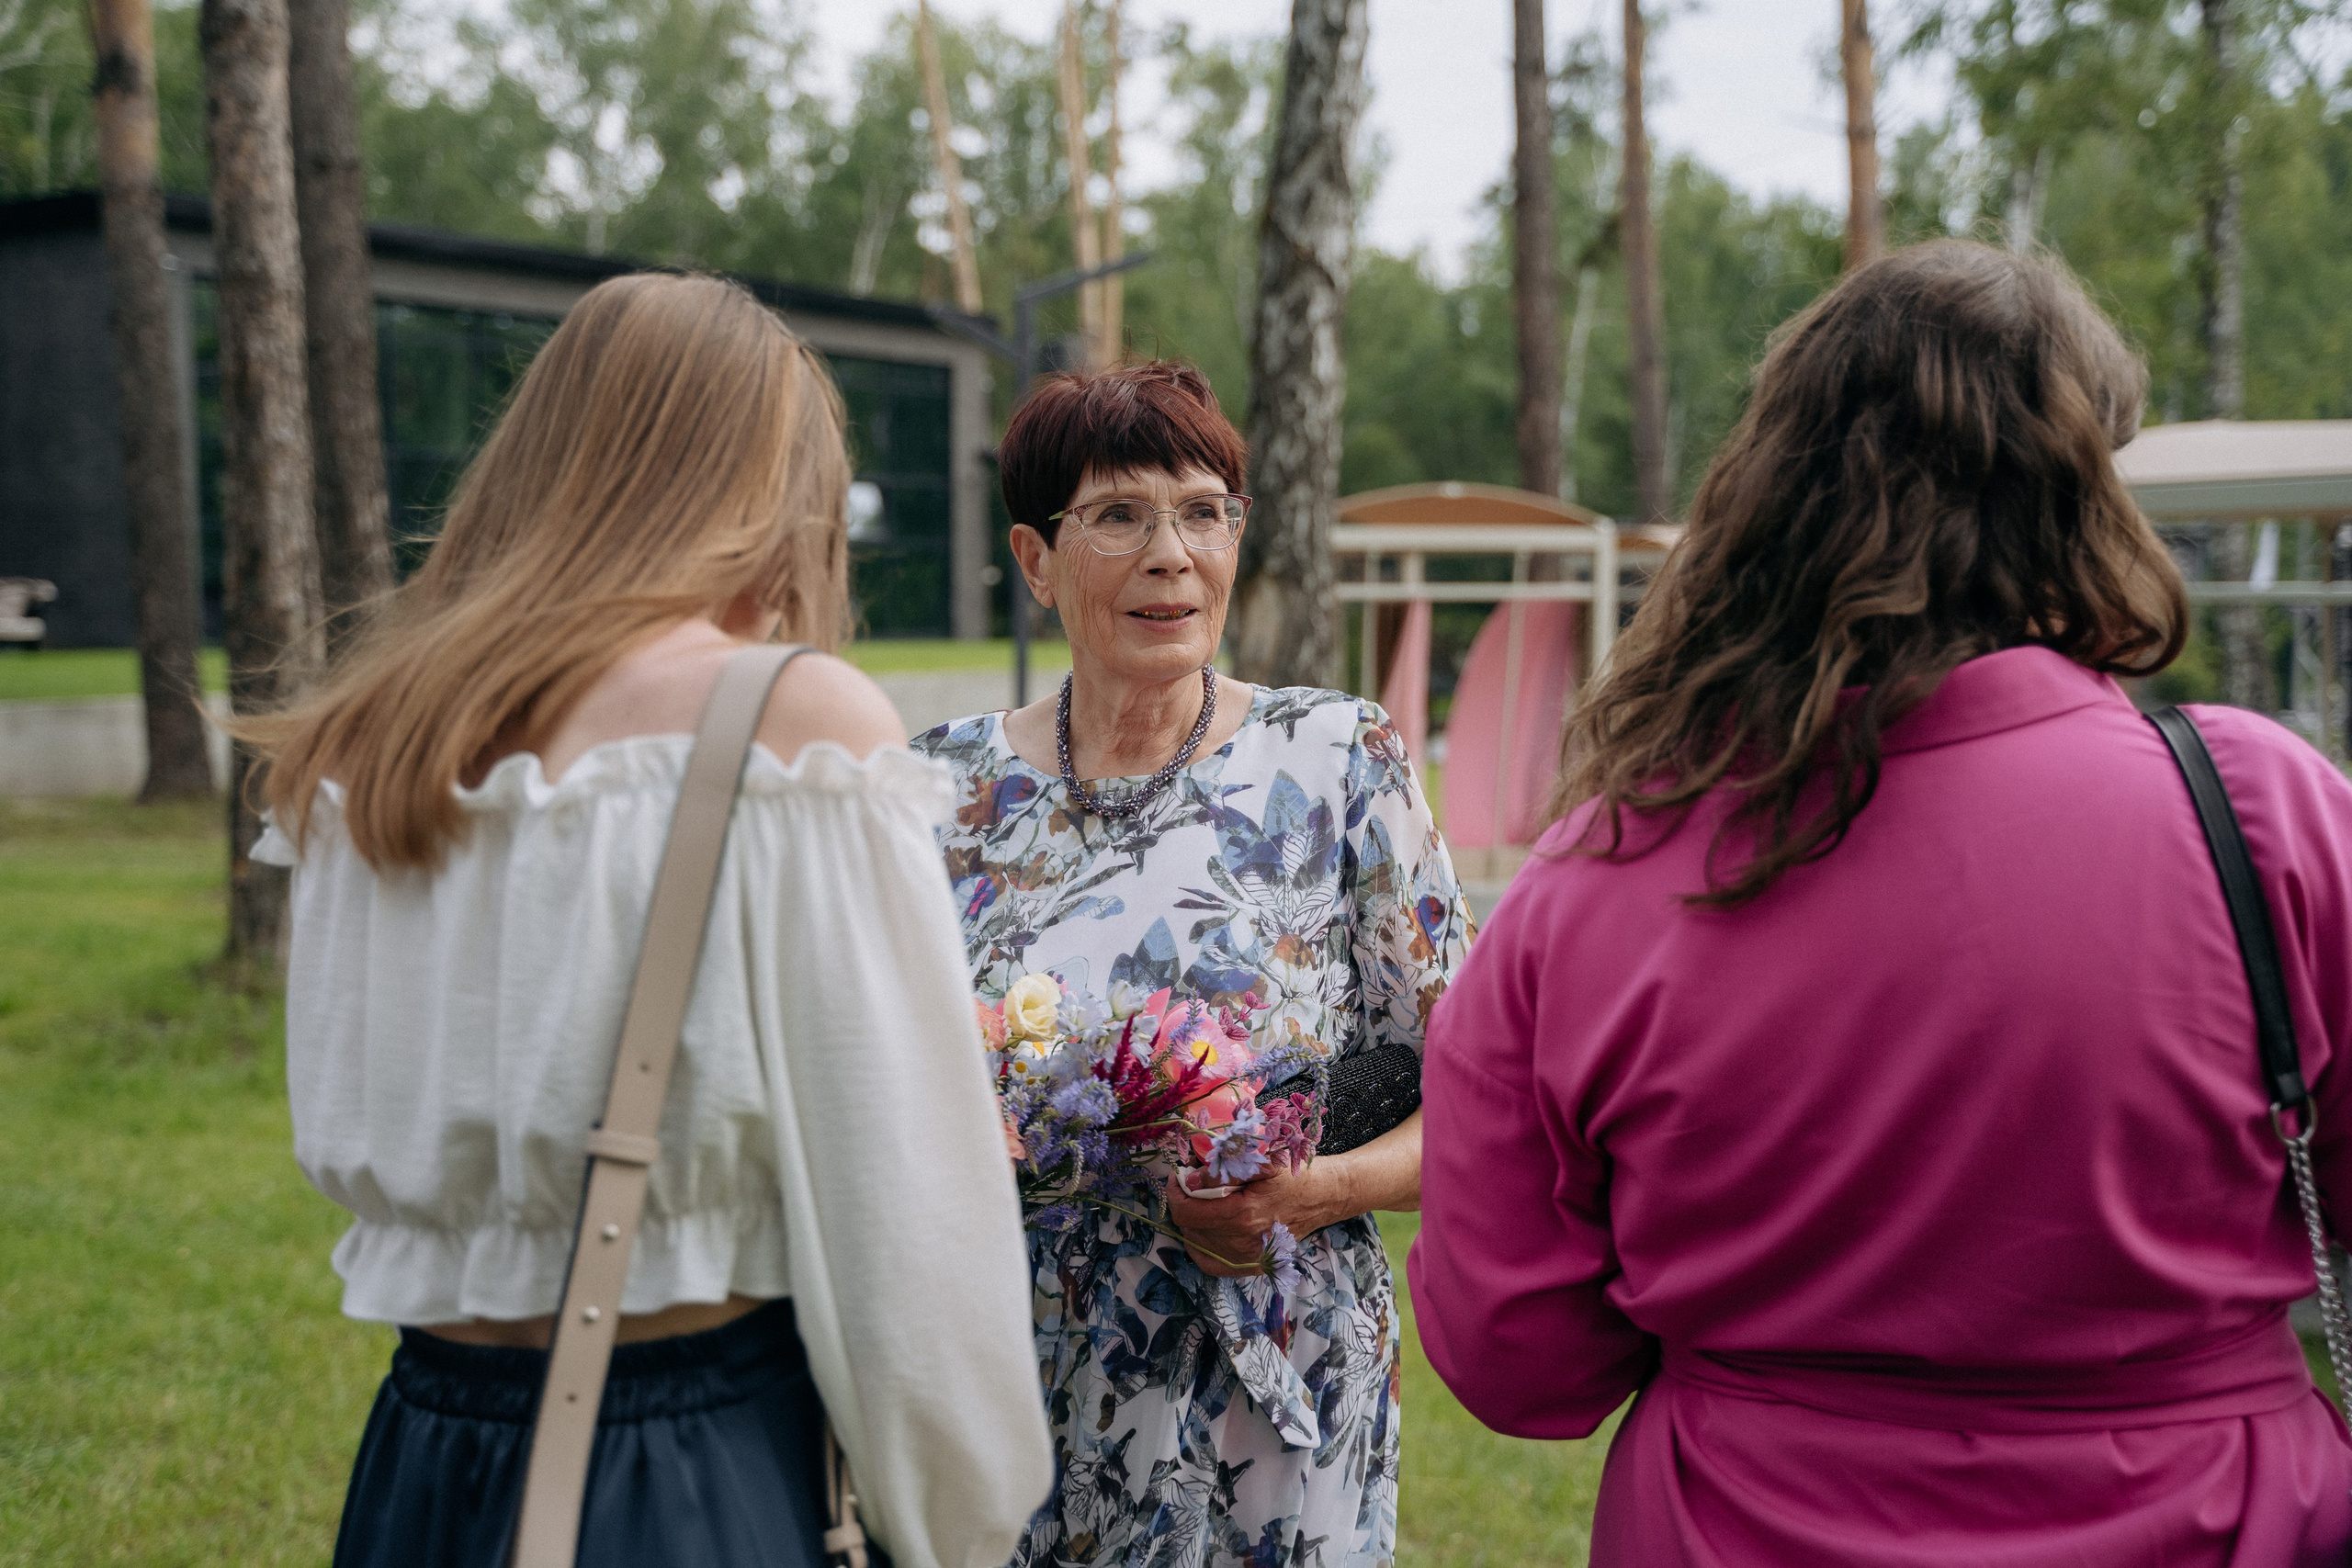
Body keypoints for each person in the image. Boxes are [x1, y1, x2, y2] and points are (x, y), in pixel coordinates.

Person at [1409, 238, 2352, 1566]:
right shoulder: (2262, 816)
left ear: (1765, 505)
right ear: (2083, 496)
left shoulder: (1597, 882)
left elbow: (1523, 1367)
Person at [245, 273, 1052, 1568]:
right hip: (686, 1463)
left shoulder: (366, 744)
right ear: (767, 493)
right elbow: (910, 1241)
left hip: (423, 1463)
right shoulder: (792, 729)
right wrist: (968, 1524)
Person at [910, 361, 1474, 1565]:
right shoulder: (935, 792)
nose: (1172, 554)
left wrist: (1305, 1194)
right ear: (1034, 557)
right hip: (1002, 1383)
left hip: (1273, 1392)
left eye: (1205, 510)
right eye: (1118, 515)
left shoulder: (1334, 762)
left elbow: (1492, 1100)